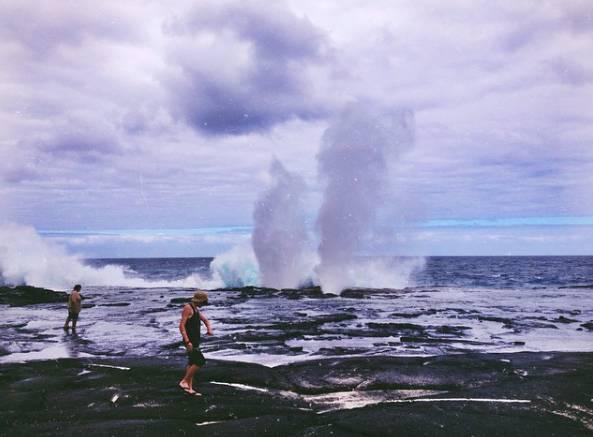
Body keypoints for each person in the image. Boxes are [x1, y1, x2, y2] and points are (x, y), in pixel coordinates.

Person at [178, 290, 213, 396]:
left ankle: (189, 388)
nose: (203, 304)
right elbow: (181, 326)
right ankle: (184, 381)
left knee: (191, 363)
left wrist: (209, 329)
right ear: (199, 301)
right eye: (203, 302)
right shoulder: (188, 308)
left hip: (195, 340)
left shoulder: (196, 310)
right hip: (190, 340)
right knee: (200, 361)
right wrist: (187, 341)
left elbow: (205, 320)